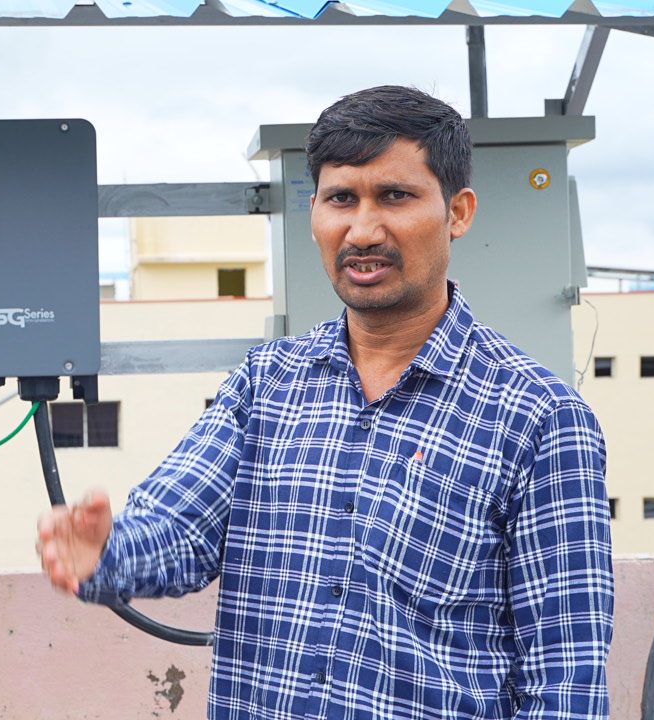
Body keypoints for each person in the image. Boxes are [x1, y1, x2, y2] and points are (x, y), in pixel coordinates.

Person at [37, 85, 613, 719]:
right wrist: (105, 552)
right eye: (342, 199)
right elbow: (179, 532)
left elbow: (567, 678)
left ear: (458, 212)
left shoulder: (537, 417)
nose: (362, 230)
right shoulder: (267, 384)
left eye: (395, 196)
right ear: (313, 211)